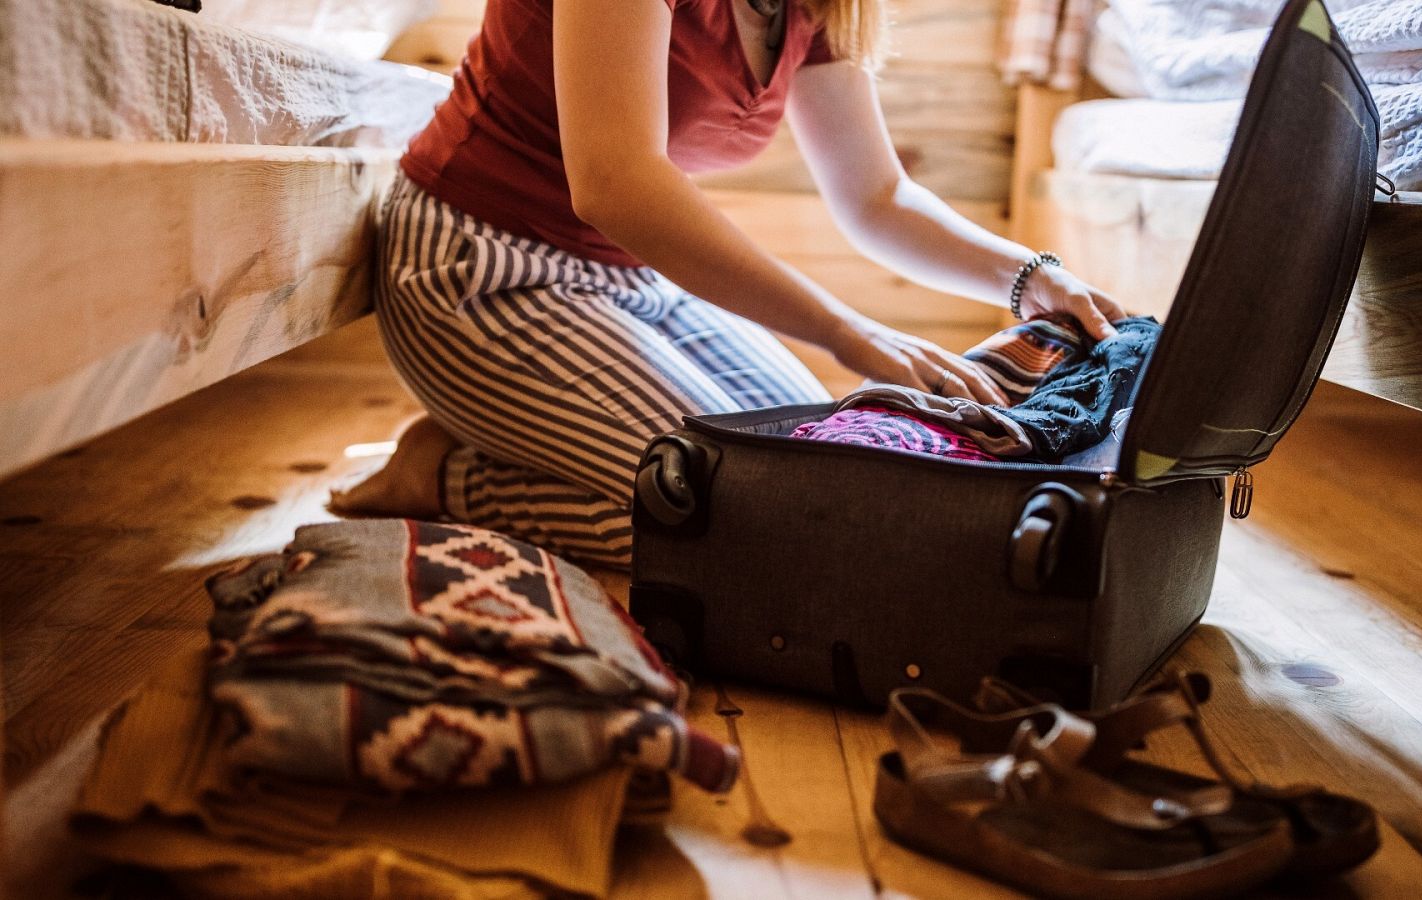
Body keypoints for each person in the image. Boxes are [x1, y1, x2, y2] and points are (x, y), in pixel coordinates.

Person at [332, 0, 1127, 568]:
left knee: (820, 484)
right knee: (750, 528)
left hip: (631, 280)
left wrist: (1029, 276)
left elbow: (877, 196)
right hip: (478, 265)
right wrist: (854, 333)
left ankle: (516, 439)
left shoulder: (816, 8)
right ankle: (447, 476)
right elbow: (615, 182)